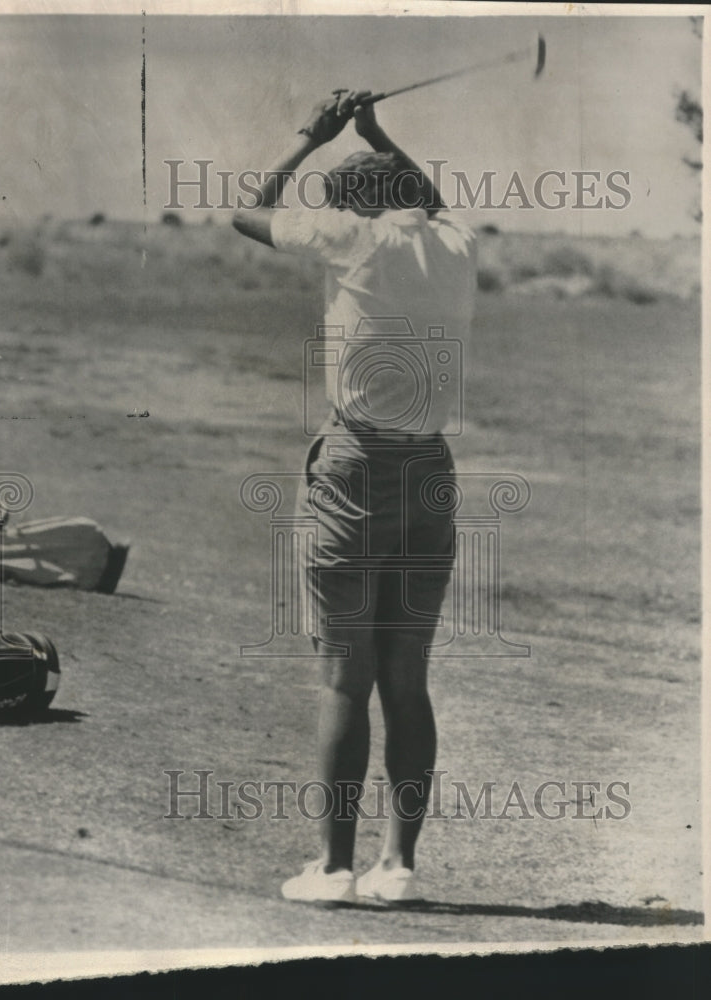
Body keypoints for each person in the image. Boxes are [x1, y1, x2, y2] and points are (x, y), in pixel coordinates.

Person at [233, 90, 477, 904]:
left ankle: (334, 870)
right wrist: (378, 136)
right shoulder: (454, 242)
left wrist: (312, 136)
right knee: (407, 677)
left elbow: (246, 212)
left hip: (357, 468)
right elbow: (431, 200)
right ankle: (398, 868)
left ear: (356, 207)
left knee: (344, 677)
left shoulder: (352, 235)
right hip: (429, 471)